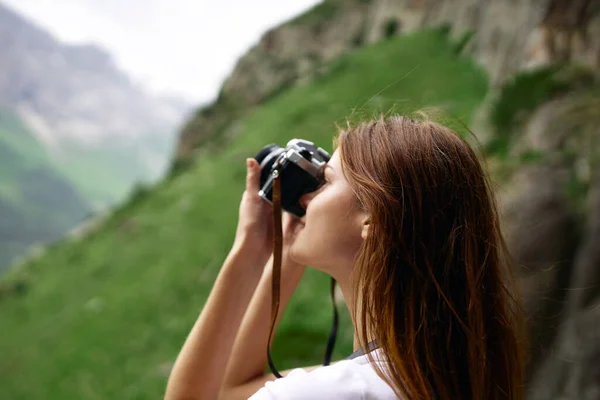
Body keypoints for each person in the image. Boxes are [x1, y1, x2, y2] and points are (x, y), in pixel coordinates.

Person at [164, 115, 526, 400]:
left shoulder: (334, 392)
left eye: (325, 181)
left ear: (373, 219)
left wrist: (246, 253)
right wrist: (286, 251)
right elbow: (232, 390)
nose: (304, 200)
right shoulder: (442, 374)